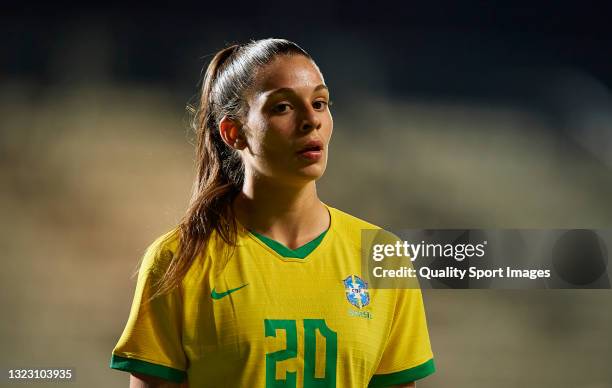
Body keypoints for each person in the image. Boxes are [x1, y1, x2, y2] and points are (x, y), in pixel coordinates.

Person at [110, 38, 435, 387]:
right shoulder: (177, 259)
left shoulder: (383, 257)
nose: (311, 120)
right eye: (282, 107)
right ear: (234, 132)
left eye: (320, 102)